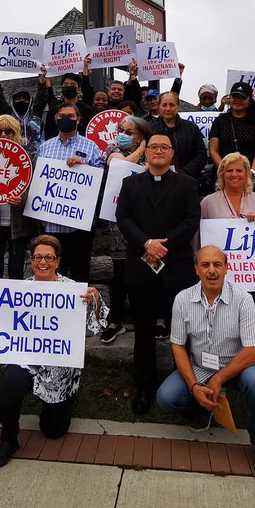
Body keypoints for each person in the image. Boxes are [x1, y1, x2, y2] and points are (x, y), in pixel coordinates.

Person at [0, 235, 106, 468]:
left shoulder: (73, 291)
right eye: (38, 257)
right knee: (9, 386)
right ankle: (8, 439)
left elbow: (96, 327)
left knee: (53, 431)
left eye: (49, 257)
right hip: (27, 360)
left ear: (58, 261)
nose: (43, 262)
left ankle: (64, 400)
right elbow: (4, 325)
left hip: (59, 368)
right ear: (31, 261)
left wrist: (94, 300)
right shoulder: (17, 291)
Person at [155, 246, 255, 478]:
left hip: (239, 366)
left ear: (226, 268)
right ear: (196, 270)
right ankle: (203, 408)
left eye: (217, 264)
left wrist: (219, 379)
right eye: (205, 265)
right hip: (201, 366)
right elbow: (178, 346)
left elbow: (252, 352)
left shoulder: (243, 300)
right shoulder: (182, 299)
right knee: (165, 397)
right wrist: (194, 386)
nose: (212, 271)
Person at [116, 133, 201, 413]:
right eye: (154, 147)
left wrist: (164, 245)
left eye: (164, 147)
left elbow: (191, 220)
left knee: (183, 330)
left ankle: (188, 384)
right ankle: (145, 386)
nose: (159, 151)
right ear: (146, 152)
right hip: (140, 266)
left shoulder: (187, 184)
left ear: (172, 153)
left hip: (176, 267)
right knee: (143, 329)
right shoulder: (130, 184)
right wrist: (146, 243)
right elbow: (123, 217)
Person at [200, 152, 255, 401]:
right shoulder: (209, 202)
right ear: (221, 174)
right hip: (224, 279)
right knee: (222, 327)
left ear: (247, 174)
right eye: (229, 171)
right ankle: (222, 375)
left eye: (240, 170)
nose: (235, 175)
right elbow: (201, 240)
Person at [35, 103, 105, 281]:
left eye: (71, 116)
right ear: (55, 119)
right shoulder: (45, 147)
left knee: (80, 273)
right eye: (62, 116)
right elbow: (37, 180)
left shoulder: (92, 147)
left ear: (79, 120)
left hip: (80, 226)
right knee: (52, 274)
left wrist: (85, 168)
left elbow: (102, 179)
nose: (66, 119)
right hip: (51, 225)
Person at [98, 115, 152, 345]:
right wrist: (140, 150)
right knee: (120, 272)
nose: (123, 134)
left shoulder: (154, 150)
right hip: (119, 223)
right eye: (121, 130)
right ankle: (115, 320)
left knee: (150, 270)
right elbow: (119, 166)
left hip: (147, 224)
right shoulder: (113, 148)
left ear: (142, 134)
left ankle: (154, 318)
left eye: (129, 132)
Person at [0, 115, 39, 280]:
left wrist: (22, 199)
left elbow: (35, 189)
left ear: (16, 133)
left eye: (8, 131)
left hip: (19, 226)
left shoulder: (27, 158)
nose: (3, 135)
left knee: (16, 271)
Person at [208, 82, 255, 178]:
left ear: (249, 100)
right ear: (229, 98)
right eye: (235, 96)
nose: (238, 100)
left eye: (242, 97)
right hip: (224, 174)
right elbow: (213, 150)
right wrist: (224, 171)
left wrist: (251, 173)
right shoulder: (220, 121)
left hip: (249, 175)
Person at [149, 91, 206, 182]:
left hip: (188, 179)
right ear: (159, 107)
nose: (168, 109)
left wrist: (184, 173)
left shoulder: (191, 128)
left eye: (172, 105)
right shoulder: (150, 128)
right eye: (164, 105)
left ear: (178, 106)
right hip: (158, 179)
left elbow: (201, 155)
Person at [0, 69, 45, 156]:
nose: (21, 101)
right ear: (12, 101)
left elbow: (41, 99)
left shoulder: (36, 116)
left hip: (35, 161)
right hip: (10, 160)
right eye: (18, 99)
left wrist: (42, 79)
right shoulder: (8, 116)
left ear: (30, 101)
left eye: (25, 99)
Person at [38, 63, 96, 138]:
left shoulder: (88, 111)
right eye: (65, 85)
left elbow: (88, 94)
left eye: (72, 85)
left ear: (79, 90)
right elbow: (49, 135)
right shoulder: (53, 111)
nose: (68, 87)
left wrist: (85, 74)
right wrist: (47, 77)